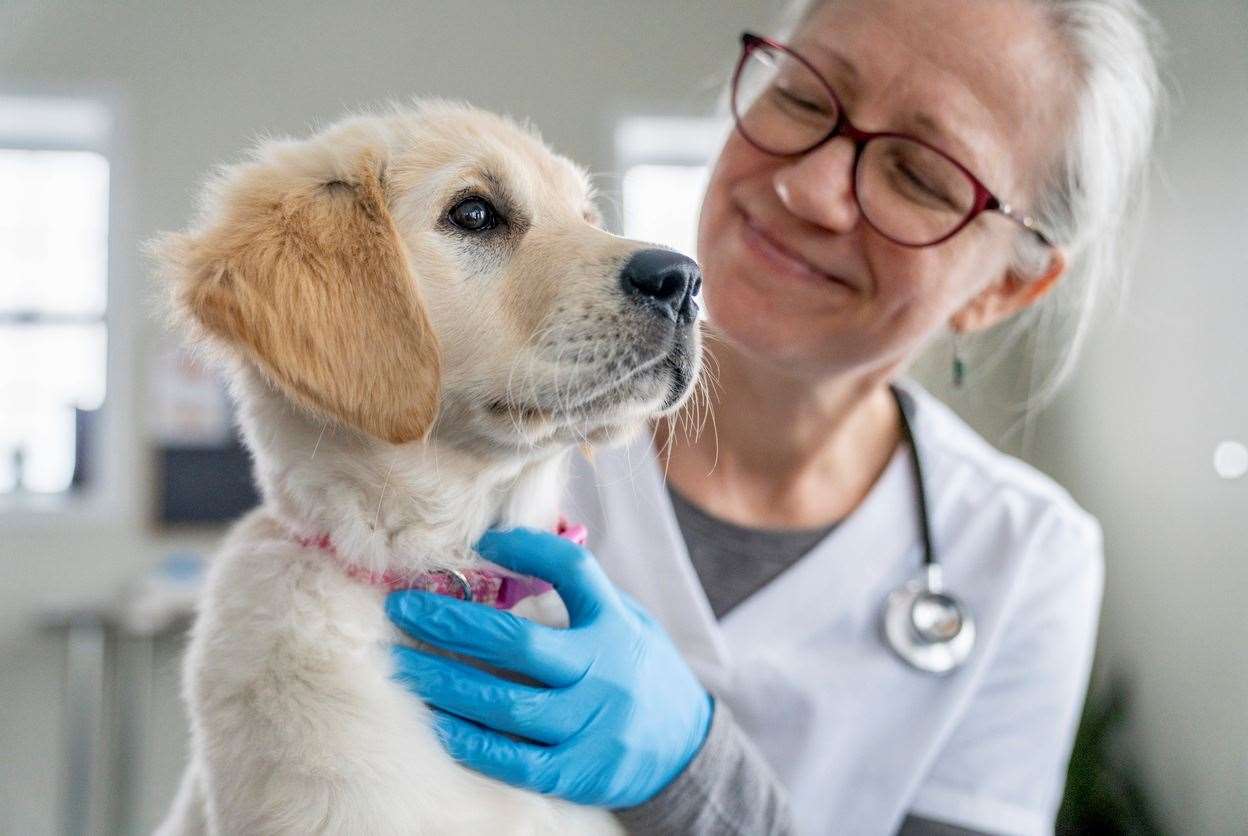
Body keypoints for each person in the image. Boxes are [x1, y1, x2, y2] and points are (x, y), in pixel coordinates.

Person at [386, 0, 1164, 832]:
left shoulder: (1024, 556)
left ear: (1007, 287)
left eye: (920, 176)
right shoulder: (467, 429)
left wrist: (691, 772)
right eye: (801, 97)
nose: (808, 186)